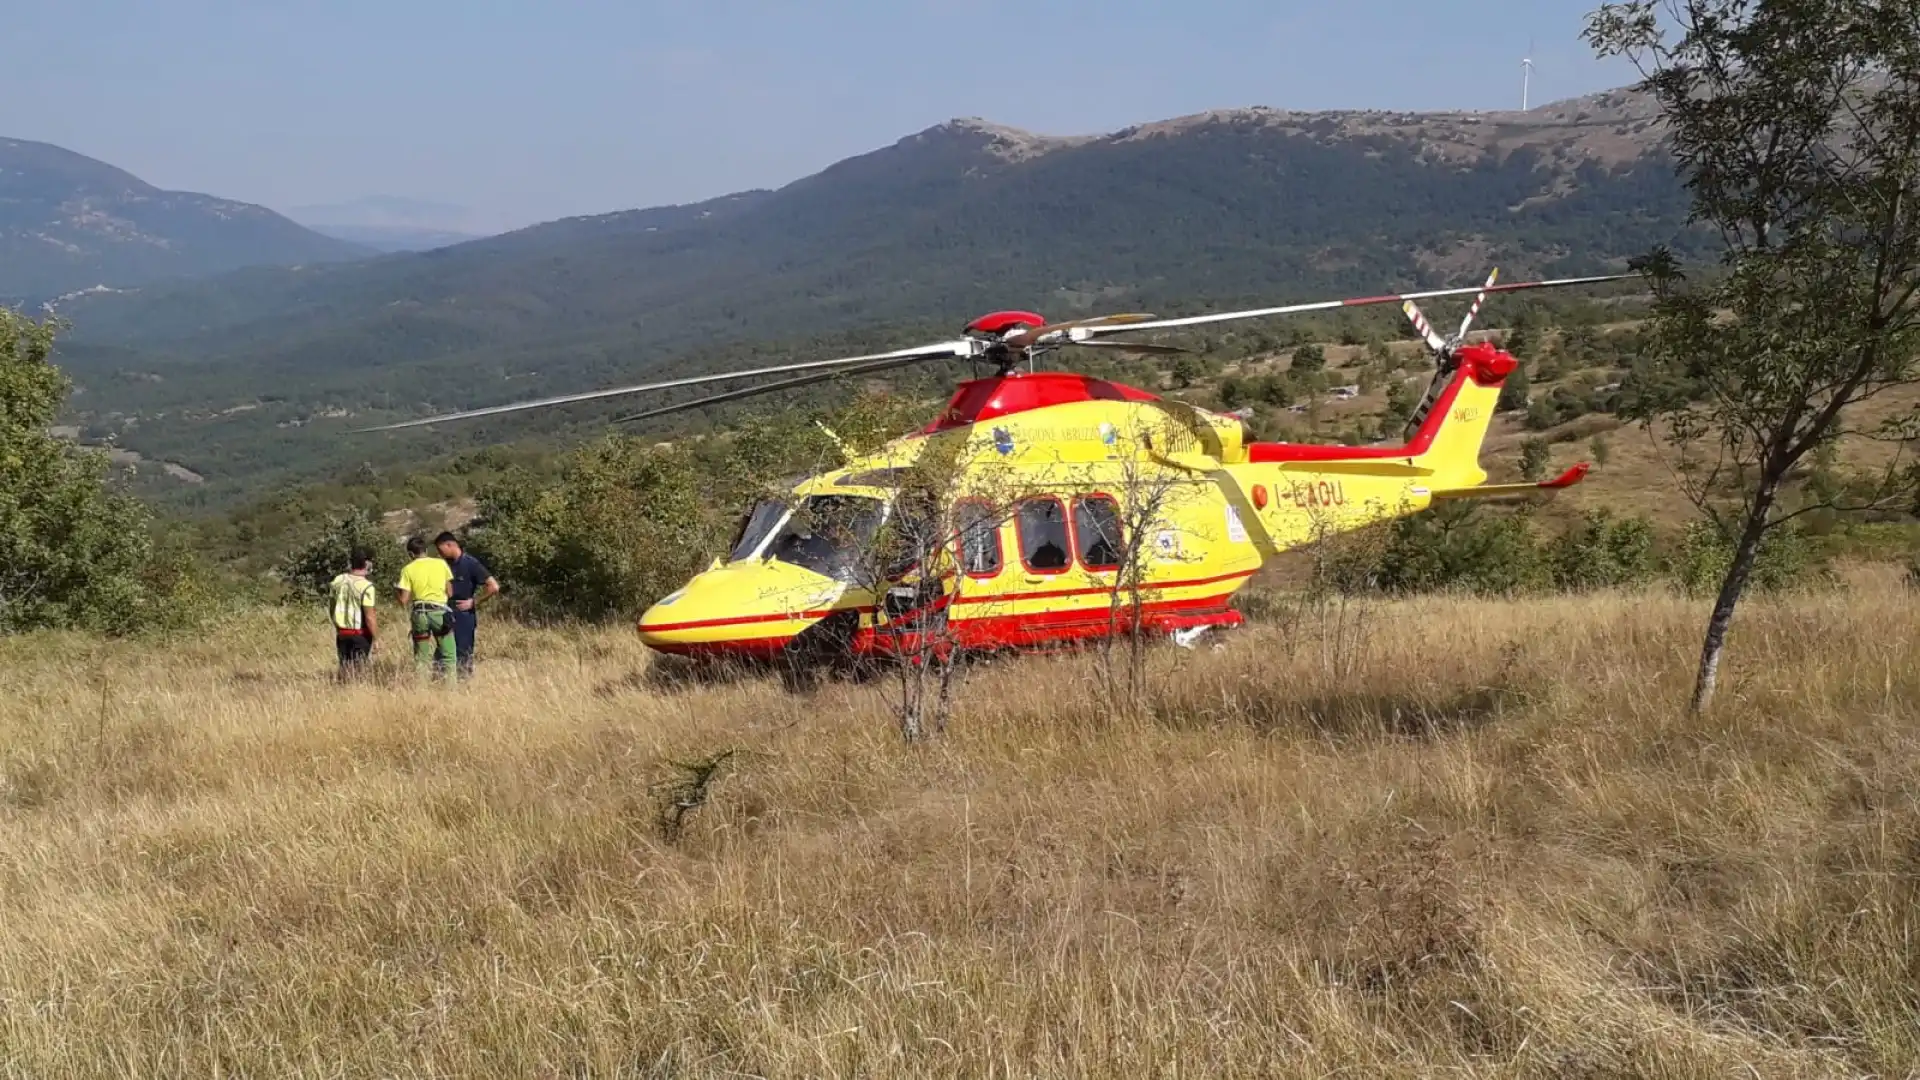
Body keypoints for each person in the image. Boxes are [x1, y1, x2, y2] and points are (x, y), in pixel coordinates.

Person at [435, 530, 499, 679]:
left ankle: (464, 683)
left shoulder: (471, 563)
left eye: (440, 549)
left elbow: (493, 586)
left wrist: (474, 602)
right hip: (445, 611)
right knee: (441, 651)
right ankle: (441, 682)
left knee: (463, 651)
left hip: (464, 615)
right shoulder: (445, 565)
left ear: (450, 545)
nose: (439, 553)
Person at [396, 535, 457, 683]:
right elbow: (450, 593)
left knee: (421, 657)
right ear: (425, 550)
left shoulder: (407, 569)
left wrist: (396, 591)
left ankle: (421, 690)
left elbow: (403, 600)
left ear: (411, 554)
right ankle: (451, 690)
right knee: (448, 655)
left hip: (419, 613)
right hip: (440, 613)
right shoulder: (441, 564)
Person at [327, 546, 379, 680]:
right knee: (359, 670)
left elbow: (332, 607)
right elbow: (369, 616)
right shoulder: (367, 586)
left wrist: (337, 624)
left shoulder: (338, 581)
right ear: (367, 563)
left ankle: (342, 692)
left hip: (342, 633)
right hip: (360, 634)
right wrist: (377, 638)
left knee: (344, 666)